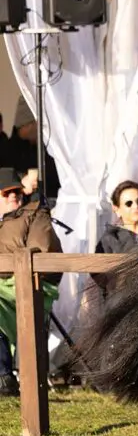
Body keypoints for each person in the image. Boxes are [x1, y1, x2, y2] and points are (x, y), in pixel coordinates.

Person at [0, 167, 63, 396]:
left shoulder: (34, 214)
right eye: (5, 193)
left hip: (29, 286)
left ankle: (4, 376)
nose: (12, 196)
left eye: (16, 191)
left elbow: (41, 251)